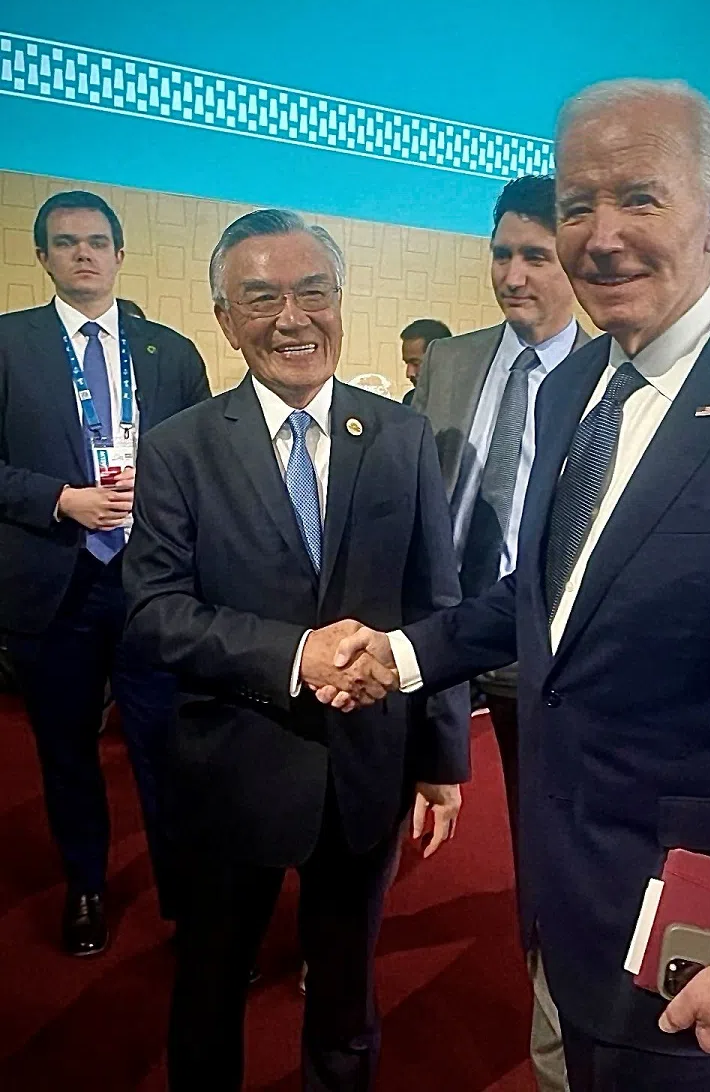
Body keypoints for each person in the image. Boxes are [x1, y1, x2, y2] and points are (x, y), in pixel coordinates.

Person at [314, 79, 710, 1092]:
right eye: (578, 205)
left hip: (700, 934)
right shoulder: (578, 387)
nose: (603, 235)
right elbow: (549, 599)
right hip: (556, 883)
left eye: (641, 197)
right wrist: (405, 654)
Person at [121, 209, 470, 1092]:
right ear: (225, 318)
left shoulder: (399, 437)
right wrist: (294, 656)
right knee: (208, 986)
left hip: (364, 769)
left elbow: (437, 603)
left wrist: (441, 759)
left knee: (347, 995)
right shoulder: (179, 448)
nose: (292, 318)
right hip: (229, 769)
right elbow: (156, 613)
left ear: (340, 303)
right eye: (262, 299)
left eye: (313, 293)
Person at [0, 190, 210, 956]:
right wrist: (62, 499)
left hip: (150, 583)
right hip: (53, 583)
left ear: (121, 255)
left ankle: (187, 895)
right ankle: (86, 884)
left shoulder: (170, 352)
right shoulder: (7, 344)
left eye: (96, 241)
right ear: (44, 257)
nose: (83, 254)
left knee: (166, 746)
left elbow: (204, 468)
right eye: (65, 242)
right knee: (66, 748)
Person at [412, 173, 587, 1091]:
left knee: (540, 839)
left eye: (535, 256)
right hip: (440, 634)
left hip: (541, 657)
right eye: (501, 254)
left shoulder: (608, 380)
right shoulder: (451, 360)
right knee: (376, 803)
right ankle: (336, 947)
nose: (513, 275)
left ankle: (547, 996)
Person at [399, 318, 451, 404]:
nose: (409, 373)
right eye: (407, 364)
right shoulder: (411, 400)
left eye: (415, 363)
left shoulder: (469, 401)